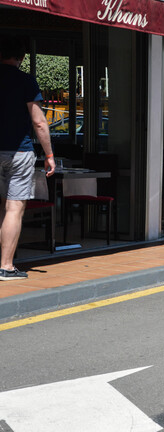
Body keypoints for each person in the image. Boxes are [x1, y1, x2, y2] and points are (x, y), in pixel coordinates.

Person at [0, 36, 56, 280]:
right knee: (14, 207)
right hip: (19, 152)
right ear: (20, 58)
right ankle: (6, 266)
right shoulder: (25, 81)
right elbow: (39, 122)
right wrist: (50, 155)